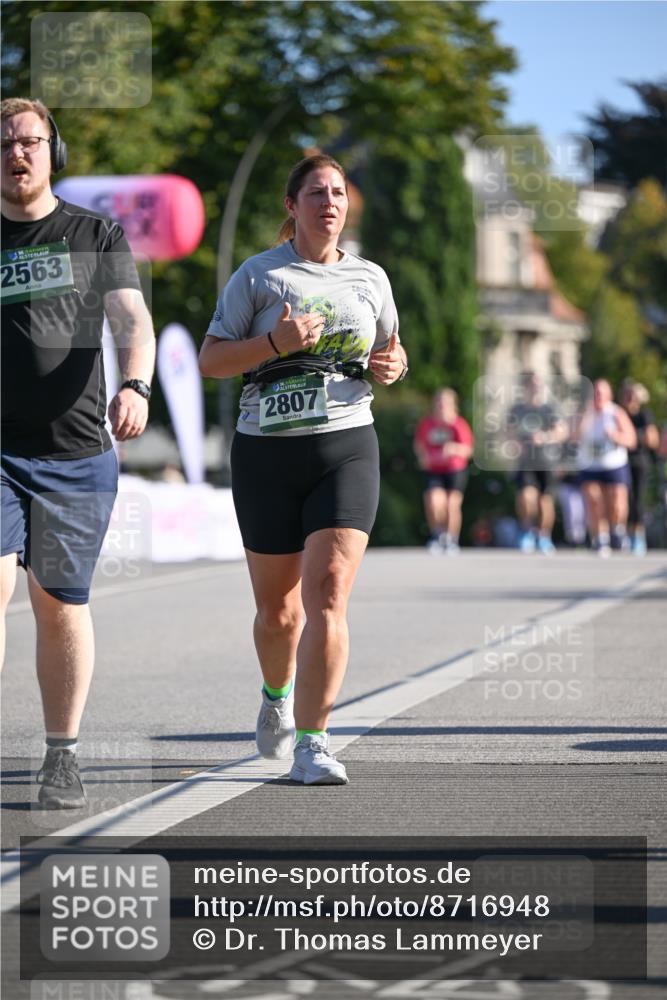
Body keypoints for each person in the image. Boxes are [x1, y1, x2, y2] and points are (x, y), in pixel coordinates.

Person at [199, 154, 406, 786]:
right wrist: (273, 346)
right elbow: (210, 361)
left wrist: (394, 368)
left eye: (338, 192)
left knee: (330, 594)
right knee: (278, 613)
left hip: (346, 445)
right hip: (267, 450)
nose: (329, 202)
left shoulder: (371, 278)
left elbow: (391, 350)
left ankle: (314, 742)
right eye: (316, 192)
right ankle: (275, 694)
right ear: (292, 207)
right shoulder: (259, 276)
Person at [0, 99, 155, 807]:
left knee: (58, 604)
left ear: (51, 151)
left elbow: (132, 318)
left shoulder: (92, 233)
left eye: (30, 141)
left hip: (73, 451)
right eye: (4, 144)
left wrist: (135, 384)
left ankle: (60, 755)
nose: (16, 154)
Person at [506, 371, 567, 554]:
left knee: (545, 501)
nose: (535, 388)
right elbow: (508, 431)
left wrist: (545, 437)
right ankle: (526, 531)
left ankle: (544, 535)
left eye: (538, 384)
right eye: (531, 384)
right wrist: (515, 443)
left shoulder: (550, 409)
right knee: (526, 497)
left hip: (546, 461)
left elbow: (562, 432)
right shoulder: (517, 409)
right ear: (525, 387)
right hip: (525, 462)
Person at [574, 378, 636, 555]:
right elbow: (573, 437)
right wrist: (585, 417)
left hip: (613, 463)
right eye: (595, 393)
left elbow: (631, 440)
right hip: (590, 465)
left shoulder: (616, 413)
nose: (598, 397)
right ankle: (601, 537)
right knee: (594, 499)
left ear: (609, 395)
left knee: (616, 502)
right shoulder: (585, 414)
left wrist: (616, 436)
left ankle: (617, 529)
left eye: (601, 393)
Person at [413, 388, 473, 553]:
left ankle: (451, 538)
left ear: (453, 405)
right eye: (439, 402)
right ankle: (437, 534)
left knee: (451, 504)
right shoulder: (427, 423)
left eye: (445, 402)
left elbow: (468, 450)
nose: (441, 406)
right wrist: (424, 457)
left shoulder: (459, 424)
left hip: (455, 469)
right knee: (433, 501)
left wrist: (453, 449)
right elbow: (419, 446)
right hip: (434, 469)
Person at [618, 380, 659, 555]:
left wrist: (631, 436)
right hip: (620, 461)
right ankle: (622, 534)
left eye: (632, 396)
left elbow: (653, 440)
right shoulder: (619, 415)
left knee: (637, 499)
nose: (629, 400)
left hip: (639, 462)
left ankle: (638, 535)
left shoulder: (644, 415)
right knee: (622, 500)